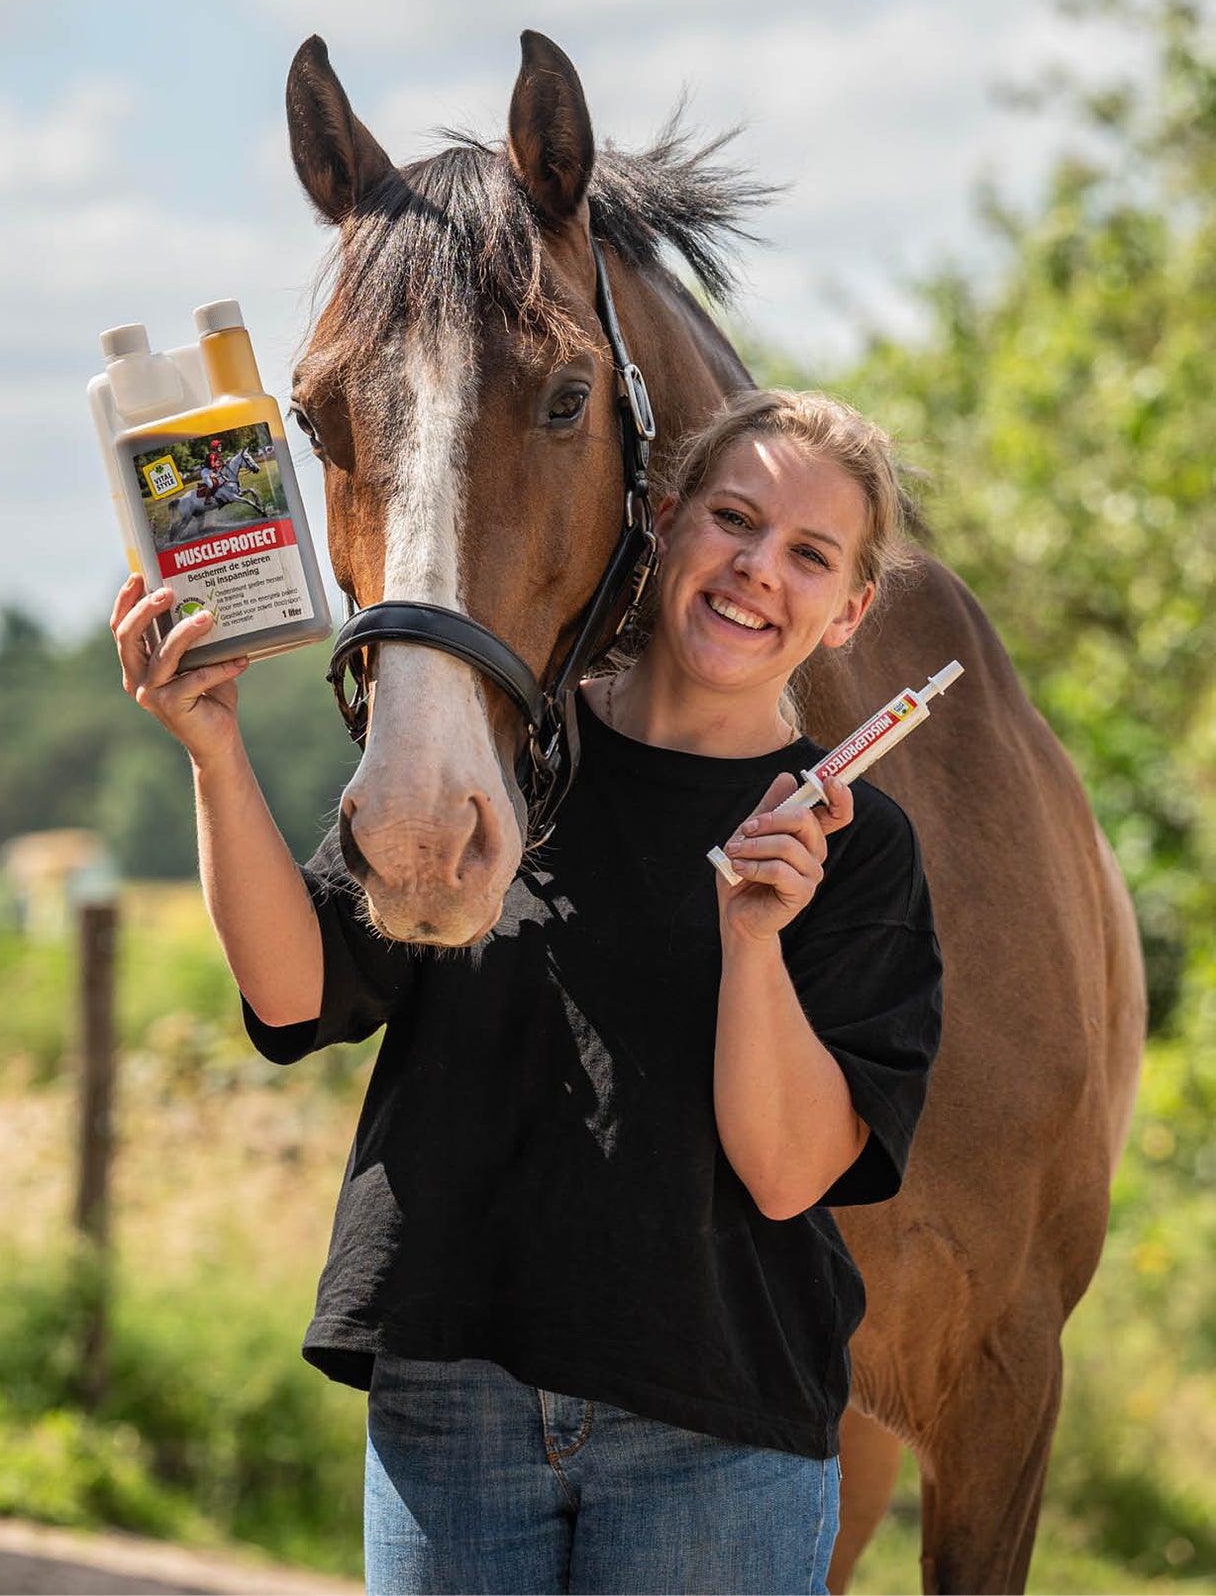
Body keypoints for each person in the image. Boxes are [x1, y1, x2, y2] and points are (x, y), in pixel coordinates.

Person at [111, 388, 944, 1596]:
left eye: (809, 554)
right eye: (733, 518)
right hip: (453, 1399)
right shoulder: (490, 756)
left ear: (850, 608)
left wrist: (756, 940)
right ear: (663, 521)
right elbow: (294, 995)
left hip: (716, 1431)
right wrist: (214, 750)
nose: (759, 568)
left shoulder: (855, 848)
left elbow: (784, 1169)